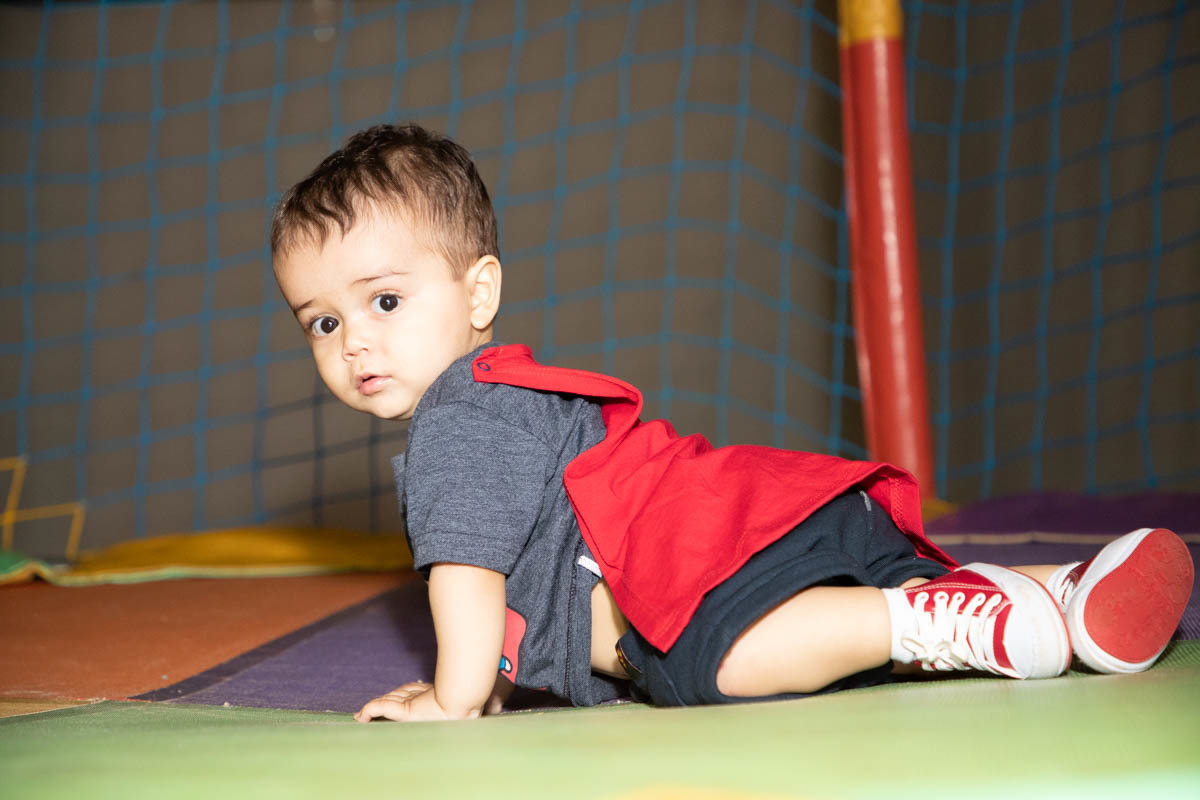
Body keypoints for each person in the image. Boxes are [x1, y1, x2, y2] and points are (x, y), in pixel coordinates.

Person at [269, 123, 1194, 722]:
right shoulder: (513, 396)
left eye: (383, 300)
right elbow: (525, 578)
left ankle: (923, 619)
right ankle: (1064, 590)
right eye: (323, 322)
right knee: (858, 627)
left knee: (720, 663)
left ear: (479, 292)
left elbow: (470, 584)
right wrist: (503, 685)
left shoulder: (455, 423)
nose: (355, 341)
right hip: (774, 514)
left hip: (699, 573)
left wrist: (455, 696)